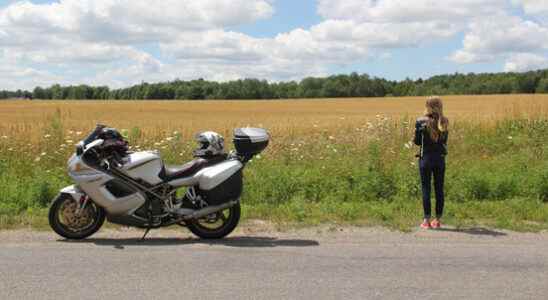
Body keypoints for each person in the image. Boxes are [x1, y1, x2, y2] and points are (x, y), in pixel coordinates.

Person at [414, 96, 449, 229]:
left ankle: (426, 221)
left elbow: (417, 141)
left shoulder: (420, 121)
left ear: (427, 106)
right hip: (440, 159)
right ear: (440, 106)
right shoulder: (445, 121)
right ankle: (438, 220)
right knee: (439, 189)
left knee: (426, 189)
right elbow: (444, 141)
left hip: (426, 159)